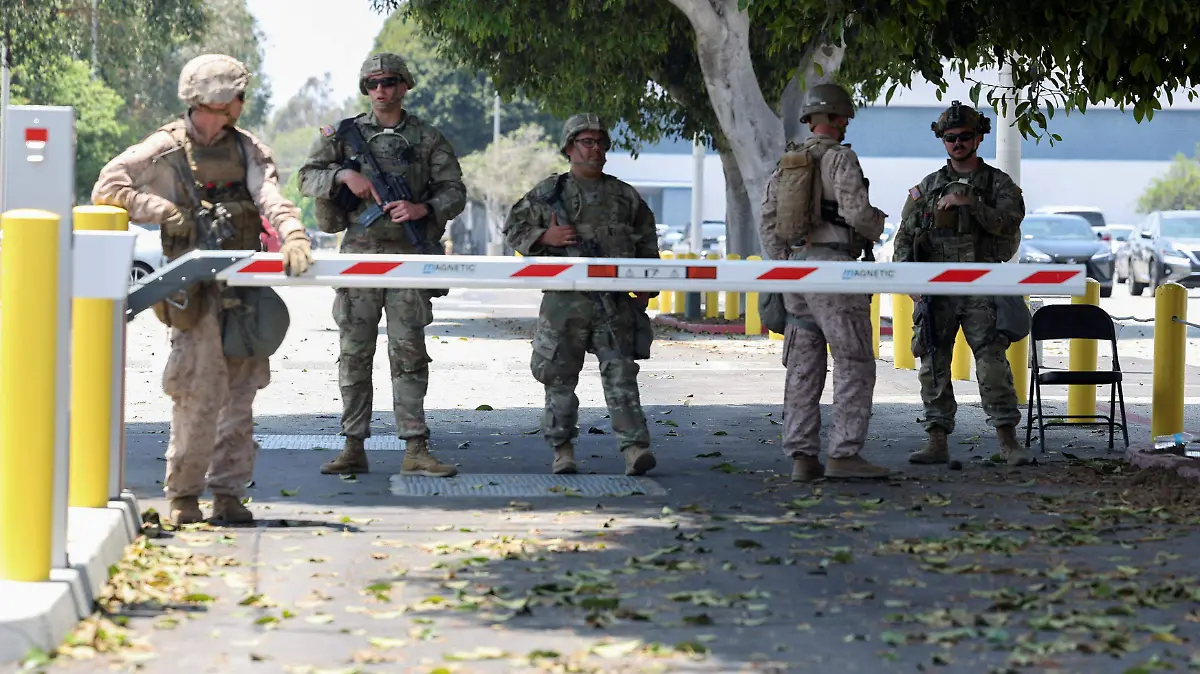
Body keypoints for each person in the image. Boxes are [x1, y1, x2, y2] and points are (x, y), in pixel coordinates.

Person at [92, 53, 313, 525]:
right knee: (196, 395)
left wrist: (293, 233)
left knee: (241, 397)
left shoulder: (246, 149)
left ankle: (228, 495)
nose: (240, 104)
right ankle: (185, 496)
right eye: (236, 95)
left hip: (243, 291)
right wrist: (164, 211)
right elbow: (108, 187)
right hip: (194, 295)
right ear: (218, 99)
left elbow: (268, 196)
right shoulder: (165, 149)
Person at [297, 52, 465, 478]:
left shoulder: (427, 138)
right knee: (354, 354)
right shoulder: (344, 134)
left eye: (389, 81)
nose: (381, 90)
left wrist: (422, 207)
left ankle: (415, 449)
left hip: (410, 259)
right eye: (372, 83)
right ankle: (353, 445)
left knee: (408, 353)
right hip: (360, 259)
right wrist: (342, 178)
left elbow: (455, 192)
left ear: (405, 85)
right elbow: (305, 177)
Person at [503, 113, 659, 476]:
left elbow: (647, 241)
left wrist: (646, 290)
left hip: (613, 300)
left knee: (621, 374)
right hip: (564, 301)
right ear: (570, 147)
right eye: (587, 142)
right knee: (559, 377)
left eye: (600, 142)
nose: (595, 149)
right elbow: (514, 227)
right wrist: (546, 238)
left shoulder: (623, 195)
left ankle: (635, 449)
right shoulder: (549, 193)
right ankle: (563, 451)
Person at [759, 83, 890, 482]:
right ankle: (845, 453)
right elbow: (857, 212)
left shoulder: (787, 163)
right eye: (844, 116)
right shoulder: (840, 160)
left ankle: (802, 456)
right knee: (853, 359)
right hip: (836, 272)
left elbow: (768, 223)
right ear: (835, 118)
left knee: (803, 364)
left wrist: (788, 264)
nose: (847, 122)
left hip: (797, 271)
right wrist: (878, 226)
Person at [892, 100, 1031, 466]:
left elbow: (1009, 222)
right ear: (943, 140)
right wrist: (910, 279)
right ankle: (937, 441)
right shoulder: (928, 187)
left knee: (991, 363)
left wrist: (970, 204)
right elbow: (904, 237)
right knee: (933, 362)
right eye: (950, 138)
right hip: (936, 289)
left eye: (965, 136)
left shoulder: (997, 183)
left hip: (982, 284)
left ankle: (1007, 441)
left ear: (979, 137)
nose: (957, 143)